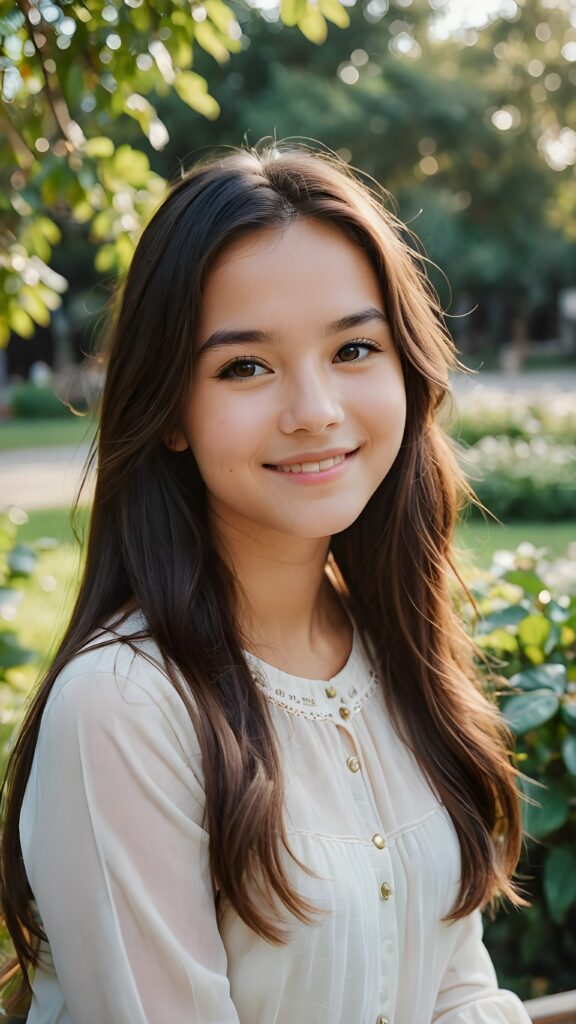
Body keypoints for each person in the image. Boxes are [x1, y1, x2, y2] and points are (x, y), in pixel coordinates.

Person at [0, 142, 532, 1023]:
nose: (316, 409)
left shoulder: (391, 646)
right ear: (169, 408)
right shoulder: (125, 709)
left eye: (355, 348)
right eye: (245, 365)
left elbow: (456, 991)